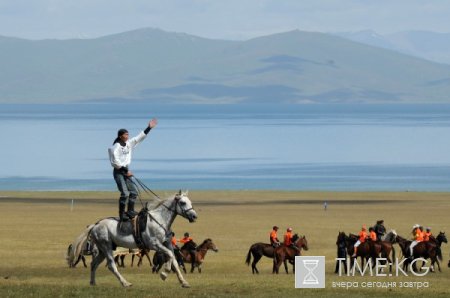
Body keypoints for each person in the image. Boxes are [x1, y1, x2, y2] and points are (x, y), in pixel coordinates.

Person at [108, 118, 158, 221]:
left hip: (126, 170)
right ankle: (122, 214)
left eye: (128, 134)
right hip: (119, 172)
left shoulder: (128, 144)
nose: (127, 136)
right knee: (125, 193)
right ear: (120, 136)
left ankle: (130, 211)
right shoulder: (115, 148)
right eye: (125, 135)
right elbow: (115, 162)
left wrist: (149, 128)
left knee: (134, 192)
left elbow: (139, 138)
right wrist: (126, 172)